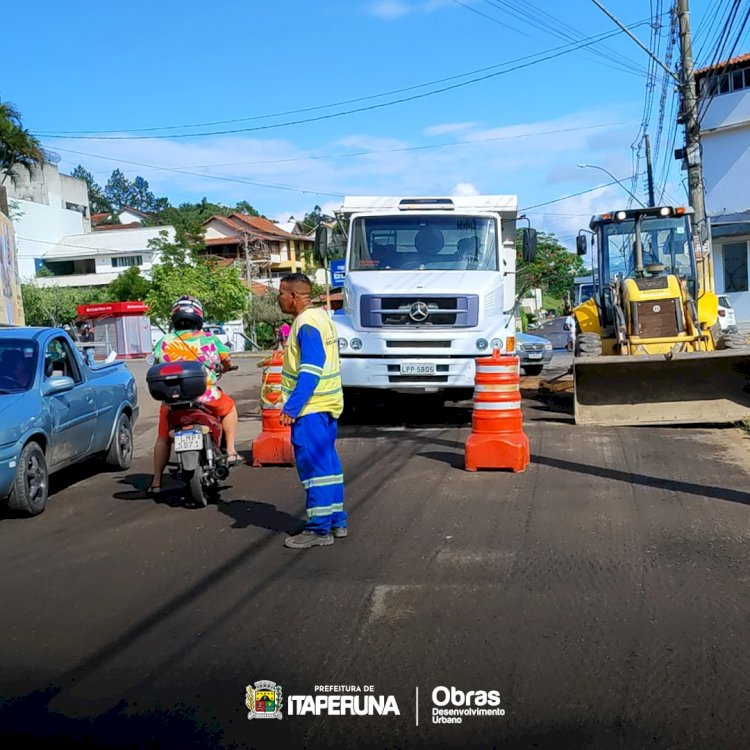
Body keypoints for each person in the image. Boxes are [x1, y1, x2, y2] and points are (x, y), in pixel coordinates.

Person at [277, 273, 346, 549]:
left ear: (294, 296)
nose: (279, 297)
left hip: (311, 409)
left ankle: (318, 529)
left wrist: (292, 407)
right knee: (329, 467)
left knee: (315, 470)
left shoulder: (305, 323)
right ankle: (336, 520)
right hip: (327, 406)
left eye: (282, 292)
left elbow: (311, 368)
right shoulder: (321, 317)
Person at [149, 296, 241, 496]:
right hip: (206, 396)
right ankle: (232, 451)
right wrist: (225, 367)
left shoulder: (165, 341)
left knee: (163, 438)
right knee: (230, 409)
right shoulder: (209, 339)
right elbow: (226, 359)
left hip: (172, 401)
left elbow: (156, 363)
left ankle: (156, 481)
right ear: (199, 317)